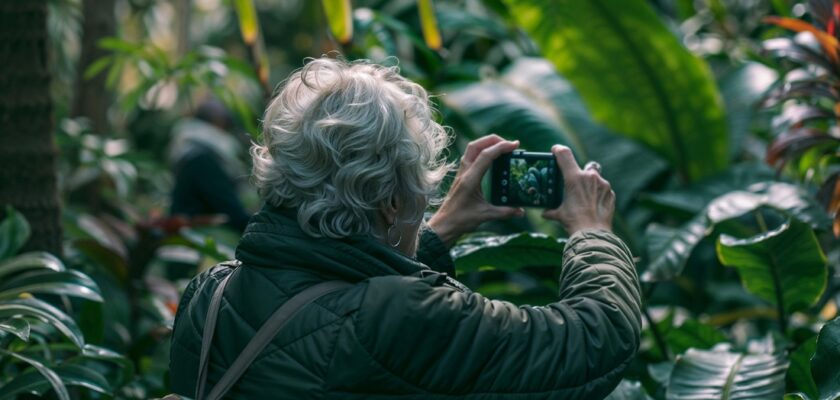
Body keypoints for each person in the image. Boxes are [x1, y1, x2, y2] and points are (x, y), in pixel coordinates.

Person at [169, 58, 641, 399]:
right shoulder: (400, 317)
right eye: (420, 191)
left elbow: (330, 301)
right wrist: (591, 229)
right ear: (393, 202)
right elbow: (593, 340)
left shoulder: (210, 293)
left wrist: (439, 229)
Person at [168, 99, 251, 232]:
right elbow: (231, 210)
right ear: (219, 122)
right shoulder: (202, 158)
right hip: (198, 238)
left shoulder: (192, 149)